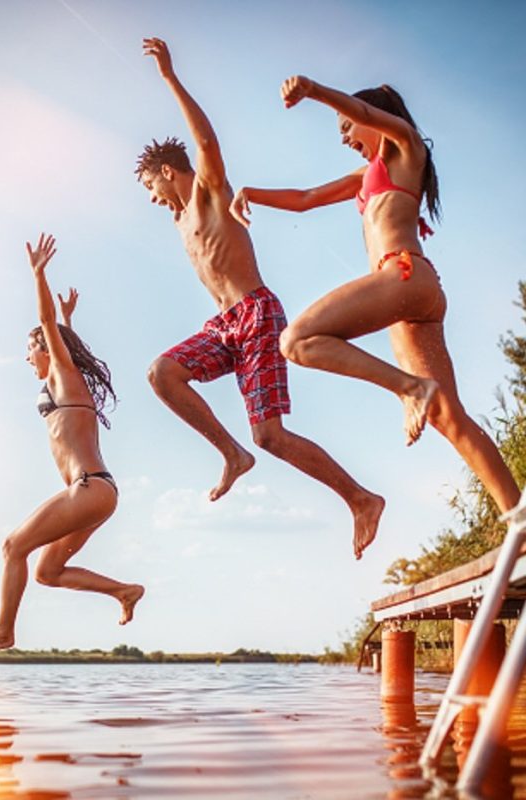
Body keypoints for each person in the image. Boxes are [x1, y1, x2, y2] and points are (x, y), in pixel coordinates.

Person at [138, 39, 384, 559]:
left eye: (150, 187)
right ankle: (231, 453)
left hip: (257, 314)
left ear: (166, 171)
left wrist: (169, 78)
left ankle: (361, 499)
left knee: (270, 436)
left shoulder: (207, 193)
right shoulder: (180, 221)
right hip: (223, 324)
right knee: (162, 372)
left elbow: (204, 140)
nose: (152, 200)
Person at [230, 76, 520, 517]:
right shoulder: (366, 176)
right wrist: (251, 194)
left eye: (345, 128)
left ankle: (409, 389)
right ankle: (517, 517)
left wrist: (314, 91)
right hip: (408, 297)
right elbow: (306, 198)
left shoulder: (406, 147)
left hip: (403, 275)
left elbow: (366, 115)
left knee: (297, 341)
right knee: (446, 415)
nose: (345, 138)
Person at [0, 234, 144, 654]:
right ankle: (124, 591)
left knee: (13, 547)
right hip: (98, 491)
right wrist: (68, 321)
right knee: (47, 571)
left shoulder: (62, 374)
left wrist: (39, 276)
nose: (26, 357)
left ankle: (4, 631)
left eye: (30, 349)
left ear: (45, 348)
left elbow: (46, 327)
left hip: (87, 489)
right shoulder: (63, 379)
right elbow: (59, 340)